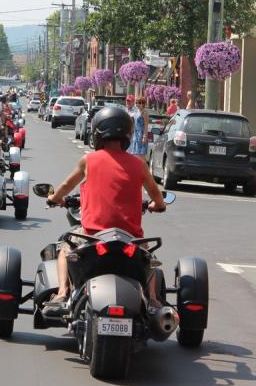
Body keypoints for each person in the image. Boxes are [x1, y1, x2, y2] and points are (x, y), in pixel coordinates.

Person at [44, 107, 166, 316]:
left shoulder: (89, 160)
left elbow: (65, 185)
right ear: (127, 133)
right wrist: (157, 206)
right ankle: (153, 300)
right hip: (130, 238)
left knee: (64, 248)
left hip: (92, 236)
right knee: (148, 256)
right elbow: (157, 196)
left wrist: (54, 199)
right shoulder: (139, 164)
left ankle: (63, 293)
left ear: (97, 132)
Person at [128, 96, 150, 161]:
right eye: (137, 102)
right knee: (135, 154)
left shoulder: (145, 112)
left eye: (140, 103)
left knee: (141, 155)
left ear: (143, 104)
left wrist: (144, 136)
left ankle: (144, 170)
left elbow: (146, 125)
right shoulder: (136, 111)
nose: (138, 104)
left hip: (141, 134)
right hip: (135, 134)